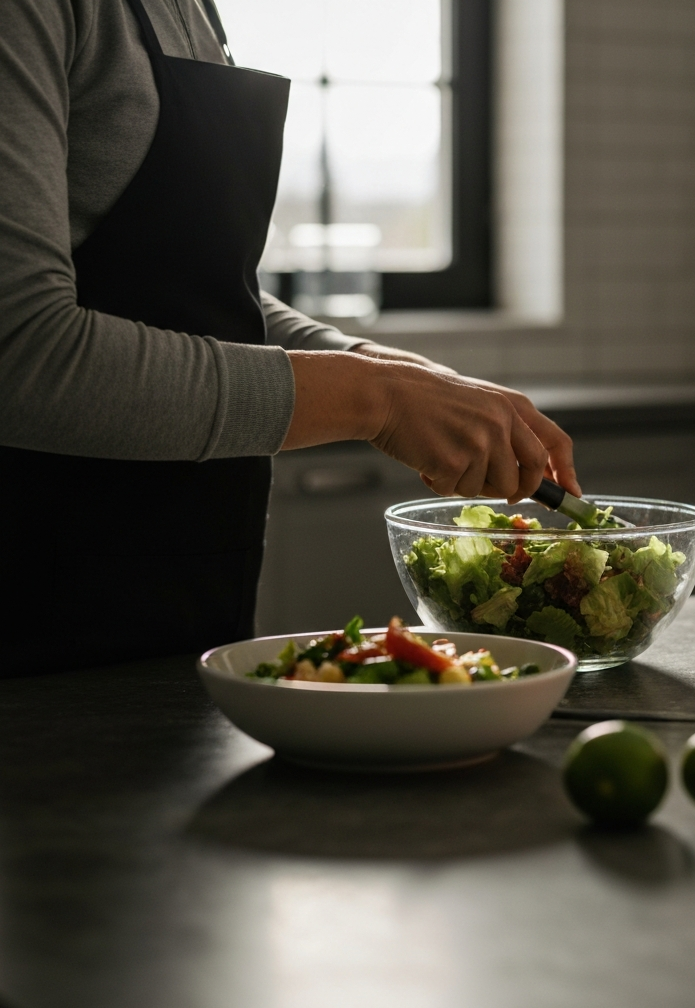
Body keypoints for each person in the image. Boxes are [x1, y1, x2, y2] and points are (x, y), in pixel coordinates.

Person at [0, 0, 579, 677]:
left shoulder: (190, 12)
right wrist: (377, 398)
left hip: (171, 602)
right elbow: (20, 350)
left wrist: (375, 364)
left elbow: (190, 285)